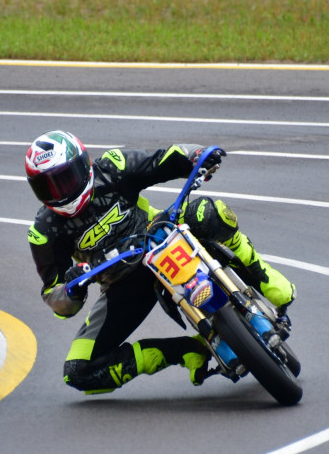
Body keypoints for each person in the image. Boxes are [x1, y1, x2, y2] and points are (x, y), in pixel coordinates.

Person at [25, 130, 296, 395]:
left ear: (83, 166)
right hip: (122, 282)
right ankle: (189, 351)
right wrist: (74, 287)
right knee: (78, 370)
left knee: (209, 213)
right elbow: (54, 295)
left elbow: (162, 160)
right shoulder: (44, 231)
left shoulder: (112, 167)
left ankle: (267, 279)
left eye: (65, 179)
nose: (59, 191)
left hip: (161, 234)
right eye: (46, 186)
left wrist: (197, 155)